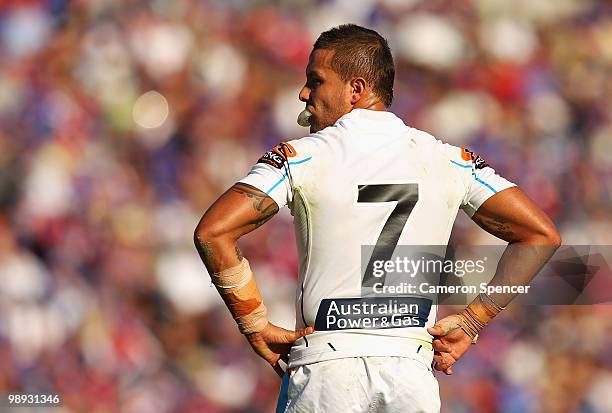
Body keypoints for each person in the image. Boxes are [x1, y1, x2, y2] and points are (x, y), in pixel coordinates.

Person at [194, 24, 561, 413]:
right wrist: (473, 321)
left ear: (356, 89)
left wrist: (254, 324)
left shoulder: (301, 156)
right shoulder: (448, 159)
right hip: (410, 372)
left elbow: (213, 232)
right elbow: (540, 235)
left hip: (329, 367)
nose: (304, 93)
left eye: (315, 81)